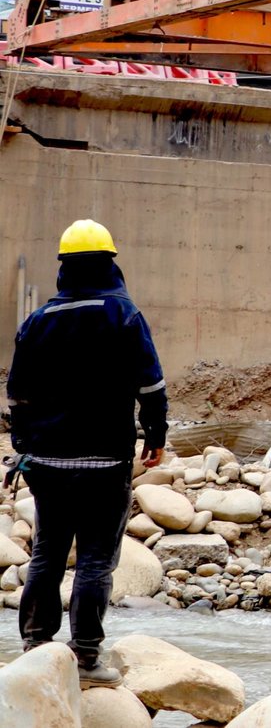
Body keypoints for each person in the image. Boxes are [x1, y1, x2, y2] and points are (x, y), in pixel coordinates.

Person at [7, 220, 167, 687]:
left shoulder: (37, 322)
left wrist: (24, 449)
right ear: (109, 263)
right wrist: (154, 436)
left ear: (64, 269)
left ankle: (36, 648)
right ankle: (86, 658)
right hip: (106, 461)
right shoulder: (124, 316)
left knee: (47, 555)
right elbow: (151, 386)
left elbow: (17, 397)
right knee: (96, 562)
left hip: (49, 464)